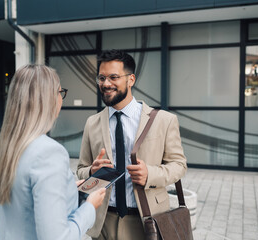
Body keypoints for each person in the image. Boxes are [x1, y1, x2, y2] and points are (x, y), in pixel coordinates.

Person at [77, 50, 187, 240]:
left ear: (131, 79)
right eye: (101, 78)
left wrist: (150, 174)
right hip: (102, 221)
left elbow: (179, 165)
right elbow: (80, 170)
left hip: (146, 221)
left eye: (113, 77)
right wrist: (90, 173)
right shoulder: (92, 123)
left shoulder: (163, 120)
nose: (105, 84)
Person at [0, 64, 106, 240]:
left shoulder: (8, 147)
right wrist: (90, 206)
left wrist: (67, 188)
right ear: (48, 99)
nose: (62, 99)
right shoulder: (49, 152)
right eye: (60, 92)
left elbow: (19, 206)